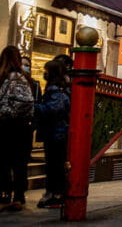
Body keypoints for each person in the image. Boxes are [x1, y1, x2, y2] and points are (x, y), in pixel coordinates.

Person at [0, 46, 35, 212]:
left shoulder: (2, 77)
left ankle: (5, 193)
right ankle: (19, 196)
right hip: (22, 127)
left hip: (4, 125)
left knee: (3, 161)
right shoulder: (26, 78)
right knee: (20, 163)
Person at [35, 60, 70, 209]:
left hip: (56, 133)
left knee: (55, 165)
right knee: (53, 165)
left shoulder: (56, 90)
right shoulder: (60, 89)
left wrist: (36, 107)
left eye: (47, 70)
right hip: (56, 132)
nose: (45, 73)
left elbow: (54, 109)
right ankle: (54, 193)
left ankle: (57, 194)